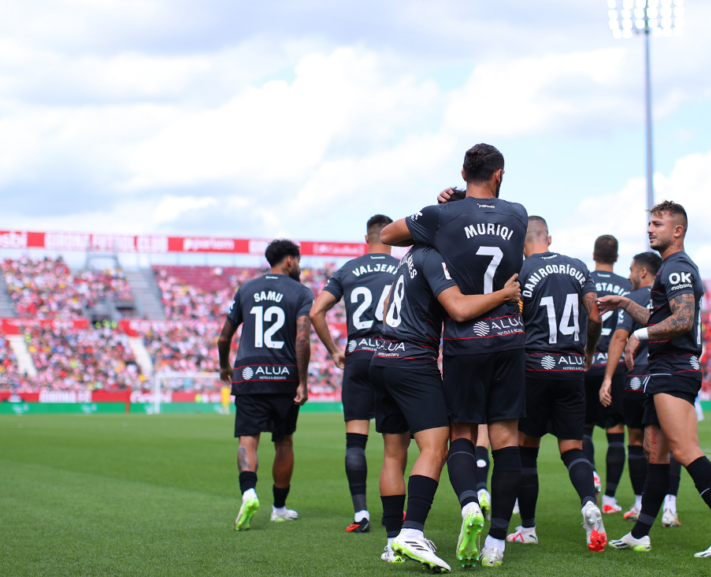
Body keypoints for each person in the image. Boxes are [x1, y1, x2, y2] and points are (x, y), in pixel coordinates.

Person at [380, 143, 528, 568]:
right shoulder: (519, 214)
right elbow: (489, 219)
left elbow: (388, 235)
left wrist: (444, 207)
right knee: (506, 440)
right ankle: (497, 542)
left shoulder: (440, 217)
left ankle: (469, 503)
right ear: (499, 175)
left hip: (465, 341)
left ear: (463, 173)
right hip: (509, 336)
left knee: (461, 434)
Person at [598, 201, 711, 557]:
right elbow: (659, 316)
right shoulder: (669, 267)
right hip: (665, 369)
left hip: (675, 369)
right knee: (657, 455)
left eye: (658, 224)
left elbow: (682, 319)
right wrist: (625, 303)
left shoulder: (678, 266)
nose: (650, 229)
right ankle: (640, 534)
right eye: (649, 223)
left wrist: (639, 335)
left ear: (677, 231)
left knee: (685, 450)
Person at [504, 216, 606, 552]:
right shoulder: (578, 267)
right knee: (573, 449)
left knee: (526, 451)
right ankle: (589, 502)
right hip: (573, 370)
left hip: (534, 368)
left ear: (522, 242)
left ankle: (528, 528)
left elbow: (513, 319)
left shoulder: (521, 270)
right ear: (549, 238)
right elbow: (594, 317)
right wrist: (588, 352)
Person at [309, 215, 399, 533]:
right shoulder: (404, 267)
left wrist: (335, 351)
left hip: (358, 356)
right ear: (391, 237)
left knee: (355, 441)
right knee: (394, 443)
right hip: (393, 355)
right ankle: (394, 513)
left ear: (366, 238)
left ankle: (361, 514)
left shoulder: (347, 269)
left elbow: (315, 311)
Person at [217, 239, 314, 531]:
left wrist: (225, 365)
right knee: (284, 442)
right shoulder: (301, 292)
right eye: (298, 261)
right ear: (289, 261)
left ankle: (248, 492)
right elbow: (302, 339)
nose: (299, 266)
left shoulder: (246, 289)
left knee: (248, 440)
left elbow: (224, 337)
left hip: (249, 375)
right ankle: (279, 509)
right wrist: (303, 381)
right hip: (284, 377)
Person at [598, 252, 661, 521]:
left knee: (635, 441)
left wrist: (608, 378)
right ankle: (669, 505)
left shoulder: (635, 298)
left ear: (643, 272)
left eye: (632, 269)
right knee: (668, 443)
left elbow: (619, 338)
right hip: (666, 376)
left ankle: (640, 502)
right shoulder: (671, 296)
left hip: (637, 378)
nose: (629, 275)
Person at [584, 235, 633, 497]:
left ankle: (591, 475)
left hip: (586, 364)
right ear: (616, 257)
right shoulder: (627, 285)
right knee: (616, 433)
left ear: (593, 255)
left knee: (584, 429)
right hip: (616, 366)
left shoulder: (584, 280)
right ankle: (611, 498)